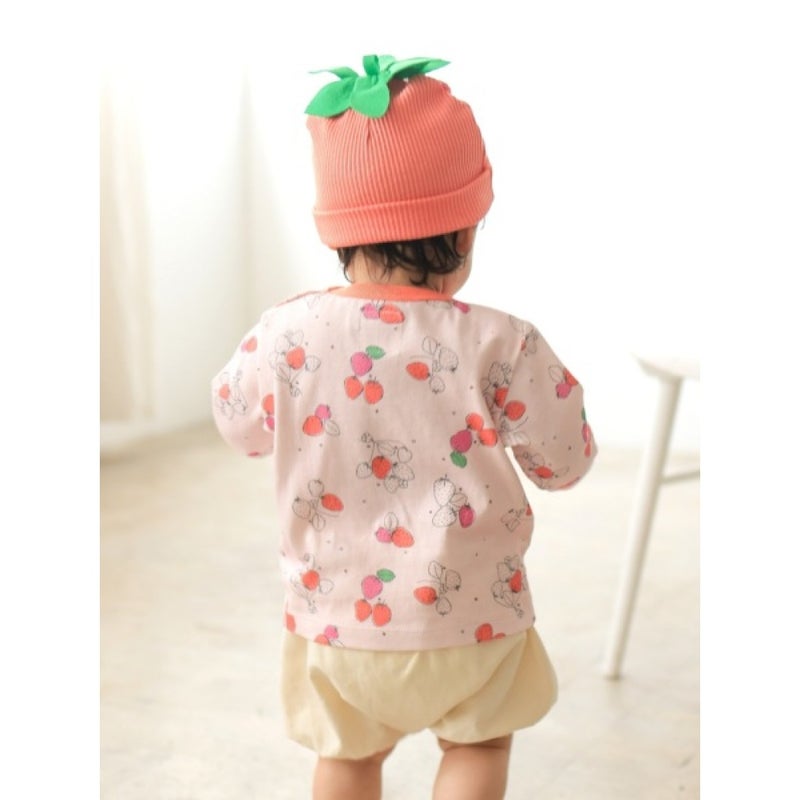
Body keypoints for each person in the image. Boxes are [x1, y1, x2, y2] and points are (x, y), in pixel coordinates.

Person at [212, 54, 597, 800]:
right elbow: (565, 460)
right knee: (478, 745)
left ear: (338, 232)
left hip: (337, 626)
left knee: (349, 760)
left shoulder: (286, 334)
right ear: (465, 235)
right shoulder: (503, 342)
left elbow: (238, 426)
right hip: (475, 626)